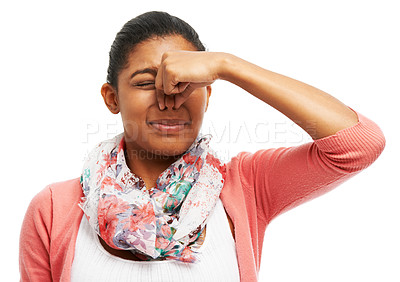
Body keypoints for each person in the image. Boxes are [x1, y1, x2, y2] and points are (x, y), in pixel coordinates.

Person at [19, 11, 385, 282]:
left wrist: (228, 65)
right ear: (112, 98)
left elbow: (359, 144)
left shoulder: (246, 186)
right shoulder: (54, 210)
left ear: (208, 94)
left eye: (186, 84)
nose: (169, 100)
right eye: (147, 83)